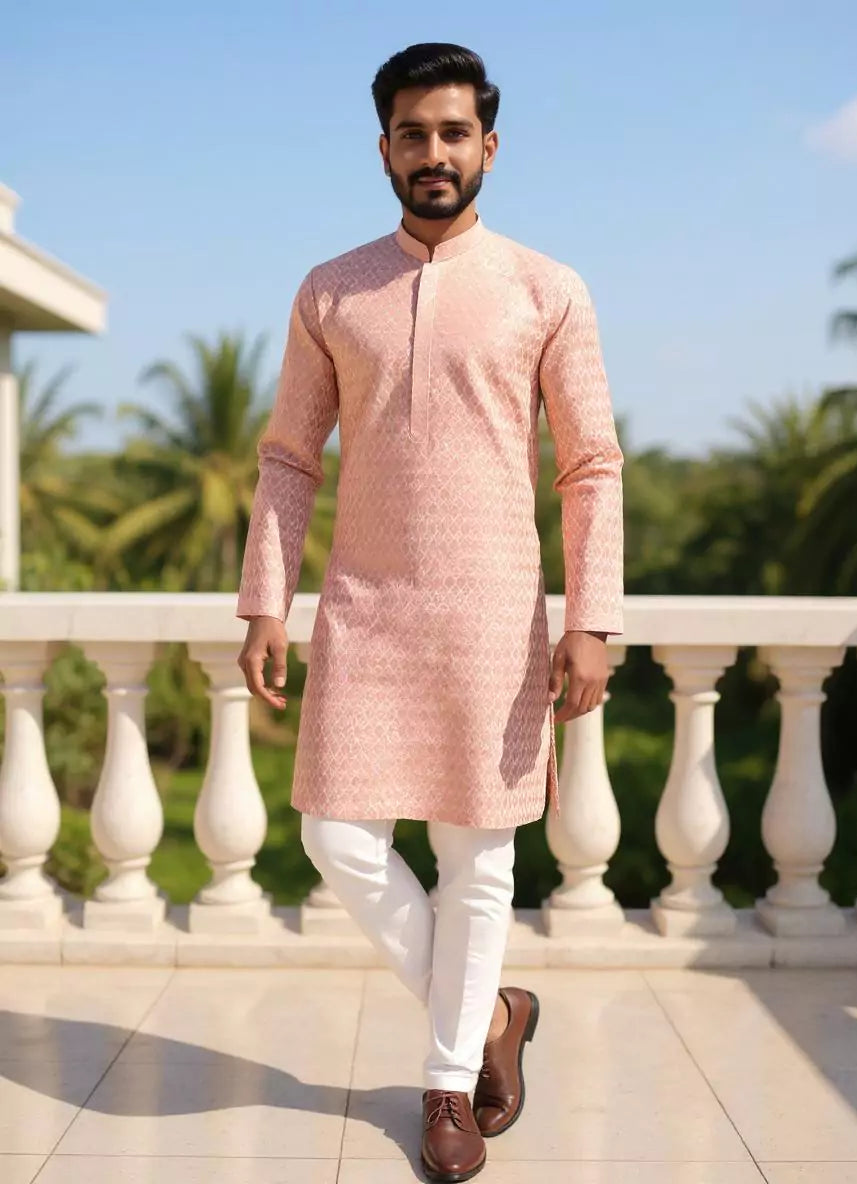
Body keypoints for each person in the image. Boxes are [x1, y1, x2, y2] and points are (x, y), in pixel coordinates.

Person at [236, 41, 624, 1184]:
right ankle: (496, 1008)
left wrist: (591, 616)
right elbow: (289, 455)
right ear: (384, 150)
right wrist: (266, 599)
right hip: (364, 608)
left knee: (476, 858)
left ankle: (448, 1081)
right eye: (413, 134)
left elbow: (591, 464)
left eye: (453, 133)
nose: (434, 153)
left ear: (488, 146)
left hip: (495, 614)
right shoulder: (330, 289)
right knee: (333, 835)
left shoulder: (548, 288)